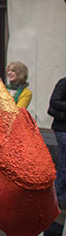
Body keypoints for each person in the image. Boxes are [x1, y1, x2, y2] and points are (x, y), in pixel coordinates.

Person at [49, 77, 66, 209]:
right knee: (63, 164)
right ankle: (56, 198)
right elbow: (54, 103)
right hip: (62, 129)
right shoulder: (63, 83)